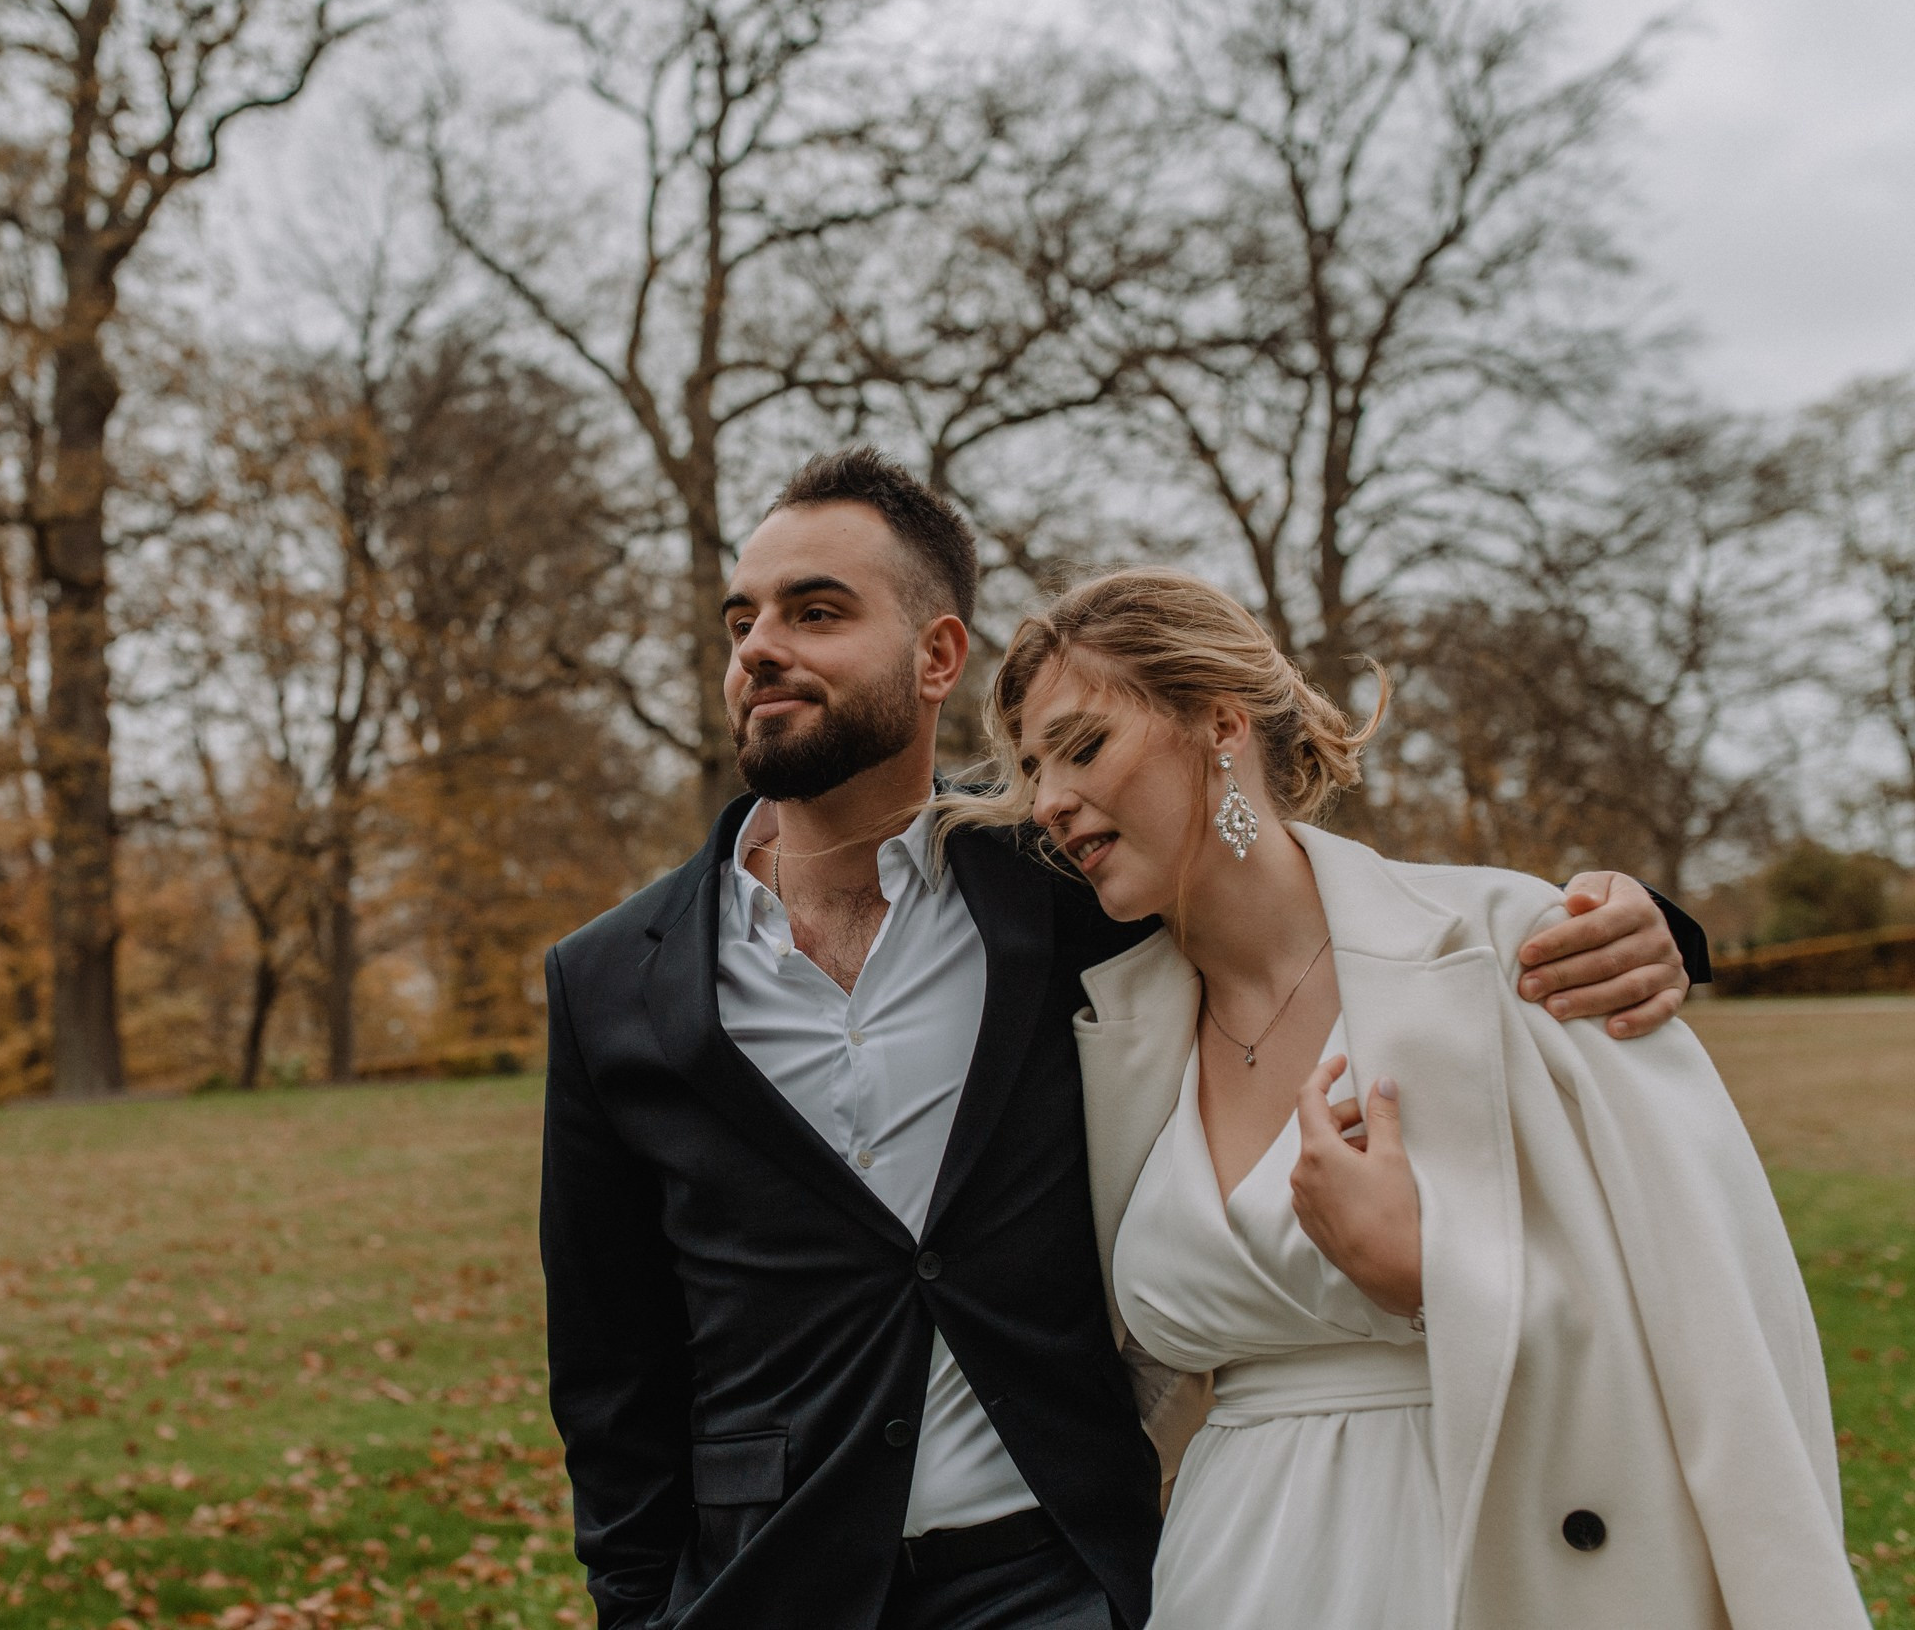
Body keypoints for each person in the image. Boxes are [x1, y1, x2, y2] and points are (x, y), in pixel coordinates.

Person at [539, 447, 1709, 1630]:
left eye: (816, 610)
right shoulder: (611, 982)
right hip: (767, 1584)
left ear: (936, 653)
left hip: (1054, 1577)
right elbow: (609, 1364)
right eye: (742, 618)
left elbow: (1288, 896)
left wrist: (1650, 925)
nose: (758, 647)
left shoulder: (1058, 892)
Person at [939, 565, 1863, 1630]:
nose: (1048, 800)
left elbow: (1713, 1321)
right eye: (1032, 767)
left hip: (1484, 1562)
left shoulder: (1507, 947)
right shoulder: (1103, 1033)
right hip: (1219, 1573)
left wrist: (1431, 1276)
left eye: (1084, 744)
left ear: (1220, 724)